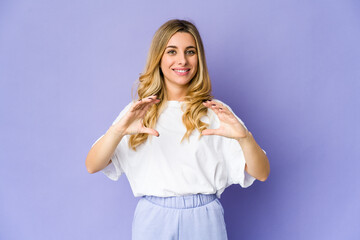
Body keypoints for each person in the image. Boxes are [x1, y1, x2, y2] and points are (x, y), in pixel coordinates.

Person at [85, 19, 270, 240]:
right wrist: (117, 132)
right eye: (172, 51)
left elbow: (262, 173)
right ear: (159, 58)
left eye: (190, 51)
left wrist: (245, 138)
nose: (182, 60)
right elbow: (92, 165)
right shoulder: (139, 113)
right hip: (153, 218)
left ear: (198, 58)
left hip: (205, 217)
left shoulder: (216, 112)